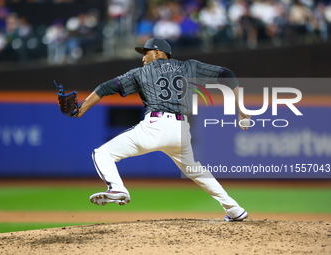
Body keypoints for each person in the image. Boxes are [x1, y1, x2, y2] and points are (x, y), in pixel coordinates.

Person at [76, 38, 250, 222]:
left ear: (158, 52)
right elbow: (228, 74)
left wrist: (81, 110)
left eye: (146, 52)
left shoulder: (141, 73)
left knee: (102, 154)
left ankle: (117, 188)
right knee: (195, 170)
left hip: (155, 126)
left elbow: (105, 88)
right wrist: (241, 109)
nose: (143, 58)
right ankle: (234, 210)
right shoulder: (190, 66)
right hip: (181, 130)